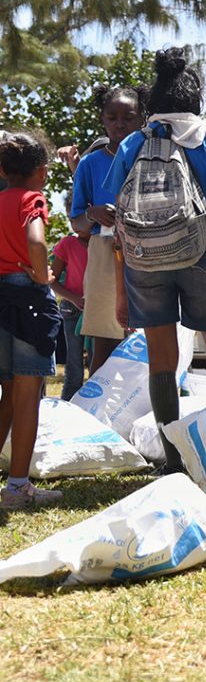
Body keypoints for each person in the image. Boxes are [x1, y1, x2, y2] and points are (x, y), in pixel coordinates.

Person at [104, 48, 206, 473]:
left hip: (144, 261)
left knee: (161, 359)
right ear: (195, 99)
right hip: (205, 254)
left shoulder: (133, 142)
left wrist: (121, 285)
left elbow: (118, 217)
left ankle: (173, 461)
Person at [0, 131, 63, 511]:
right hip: (28, 300)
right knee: (28, 398)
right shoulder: (32, 200)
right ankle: (17, 487)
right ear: (41, 173)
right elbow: (37, 242)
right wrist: (42, 276)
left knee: (7, 395)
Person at [69, 85, 145, 370]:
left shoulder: (150, 156)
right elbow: (77, 224)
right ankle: (95, 410)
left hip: (148, 249)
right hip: (104, 254)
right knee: (104, 340)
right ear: (102, 119)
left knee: (146, 342)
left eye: (128, 117)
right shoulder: (90, 164)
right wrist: (93, 213)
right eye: (112, 117)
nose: (120, 124)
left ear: (142, 119)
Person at [50, 230, 89, 399]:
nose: (75, 223)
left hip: (99, 309)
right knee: (74, 368)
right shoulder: (67, 243)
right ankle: (69, 409)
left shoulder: (104, 241)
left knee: (98, 366)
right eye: (72, 218)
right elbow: (52, 279)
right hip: (72, 310)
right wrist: (73, 298)